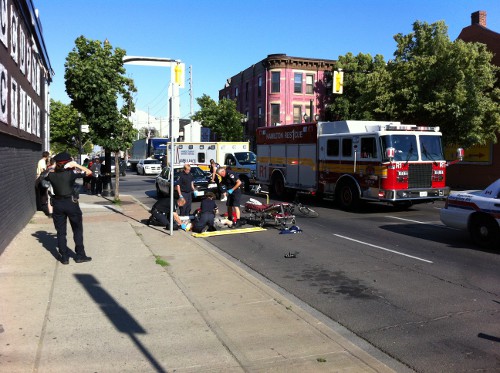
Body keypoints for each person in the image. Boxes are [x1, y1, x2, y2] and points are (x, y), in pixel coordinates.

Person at [43, 152, 93, 265]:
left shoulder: (51, 174)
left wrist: (53, 166)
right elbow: (89, 173)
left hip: (57, 204)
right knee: (77, 230)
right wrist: (76, 165)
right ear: (68, 162)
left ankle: (64, 257)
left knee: (61, 232)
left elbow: (43, 175)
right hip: (71, 203)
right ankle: (80, 255)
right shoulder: (71, 173)